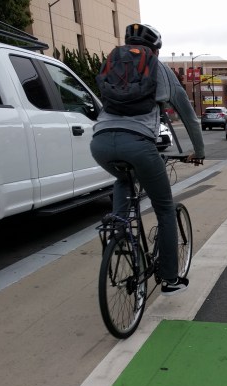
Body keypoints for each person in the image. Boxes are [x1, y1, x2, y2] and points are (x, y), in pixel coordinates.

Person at [90, 23, 205, 295]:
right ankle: (169, 278)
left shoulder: (115, 65)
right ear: (156, 49)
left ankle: (120, 237)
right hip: (139, 143)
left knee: (122, 178)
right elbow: (189, 117)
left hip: (101, 142)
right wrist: (199, 153)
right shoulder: (161, 69)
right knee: (165, 207)